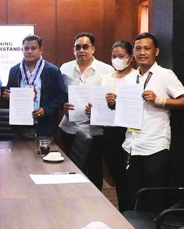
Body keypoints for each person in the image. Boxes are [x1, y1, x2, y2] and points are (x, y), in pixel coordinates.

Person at [110, 33, 184, 209]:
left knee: (153, 197)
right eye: (138, 48)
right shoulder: (131, 78)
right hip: (131, 145)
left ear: (156, 51)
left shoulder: (165, 74)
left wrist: (160, 100)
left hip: (154, 145)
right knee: (133, 195)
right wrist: (114, 103)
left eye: (147, 48)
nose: (142, 52)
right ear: (133, 53)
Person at [59, 32, 114, 190]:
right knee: (72, 169)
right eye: (78, 47)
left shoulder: (106, 70)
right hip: (70, 127)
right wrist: (64, 104)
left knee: (94, 169)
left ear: (93, 49)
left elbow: (110, 99)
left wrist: (99, 108)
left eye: (85, 46)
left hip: (95, 129)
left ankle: (96, 202)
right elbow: (61, 94)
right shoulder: (65, 68)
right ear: (73, 50)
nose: (81, 50)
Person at [2, 34, 67, 140]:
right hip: (20, 126)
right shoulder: (14, 70)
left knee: (42, 156)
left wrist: (46, 110)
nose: (29, 51)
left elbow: (61, 97)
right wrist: (8, 96)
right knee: (19, 156)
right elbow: (8, 95)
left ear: (41, 50)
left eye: (33, 48)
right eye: (26, 48)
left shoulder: (53, 71)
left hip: (44, 127)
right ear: (22, 50)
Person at [101, 40, 136, 212]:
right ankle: (122, 210)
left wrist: (118, 102)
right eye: (114, 56)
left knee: (127, 177)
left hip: (128, 131)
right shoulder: (107, 78)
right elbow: (102, 103)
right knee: (115, 174)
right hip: (109, 129)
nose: (117, 60)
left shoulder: (136, 77)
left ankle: (129, 211)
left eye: (121, 56)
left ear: (130, 58)